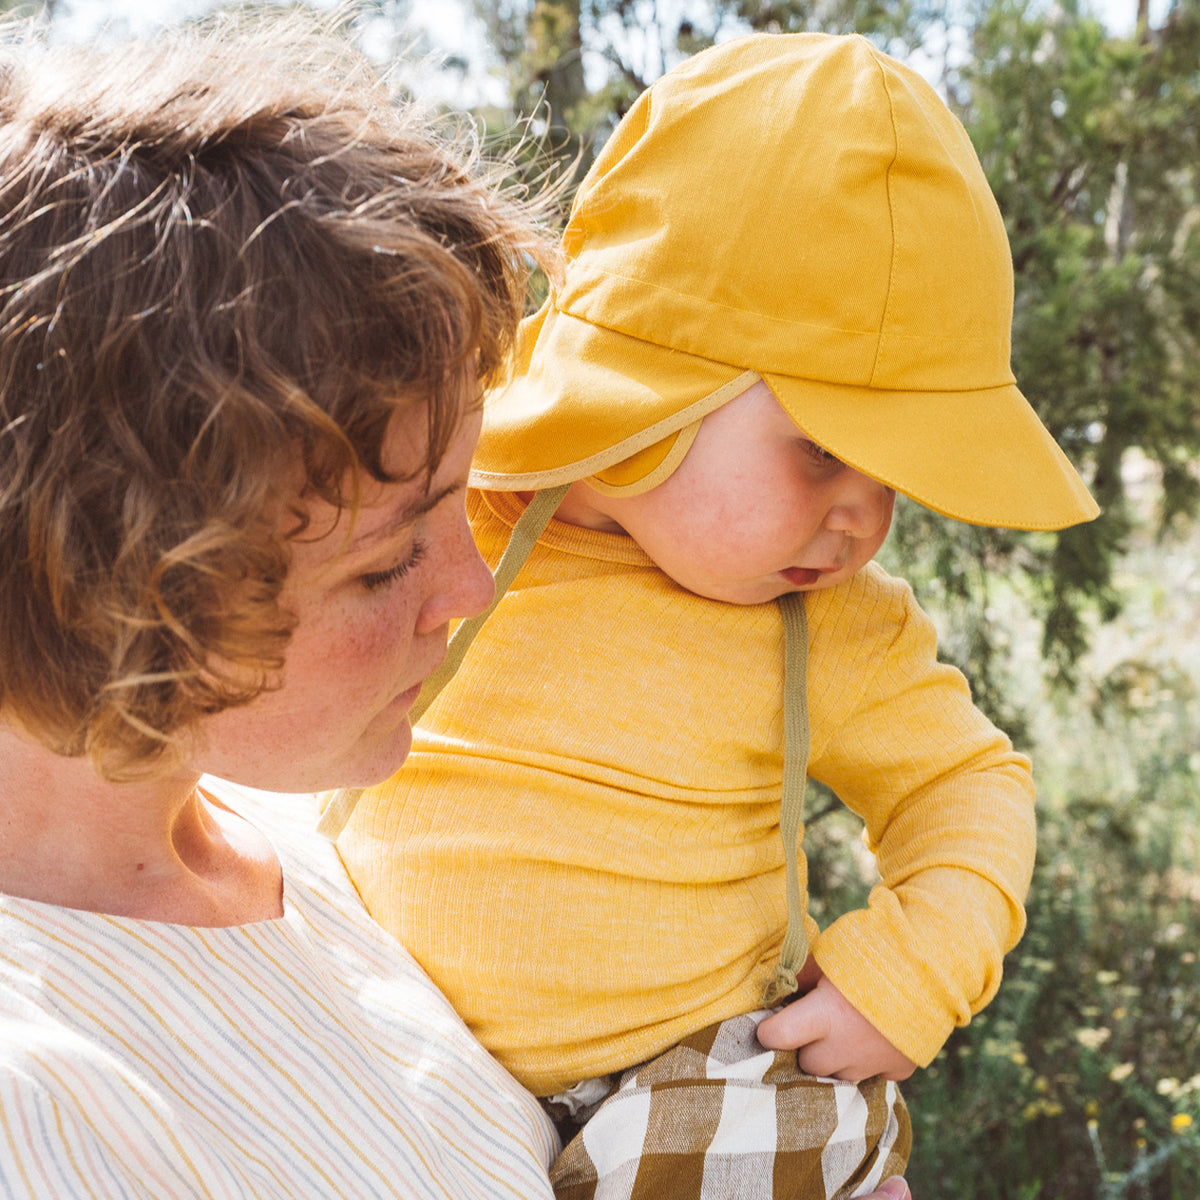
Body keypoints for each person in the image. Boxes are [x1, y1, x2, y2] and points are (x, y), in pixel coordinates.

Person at [328, 32, 1100, 1200]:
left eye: (896, 479)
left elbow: (968, 787)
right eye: (830, 450)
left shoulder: (836, 624)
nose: (863, 518)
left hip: (708, 1089)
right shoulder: (449, 511)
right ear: (659, 391)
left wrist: (912, 975)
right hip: (419, 1081)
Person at [0, 12, 572, 1197]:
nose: (469, 592)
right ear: (111, 588)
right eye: (382, 564)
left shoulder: (322, 855)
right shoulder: (39, 1107)